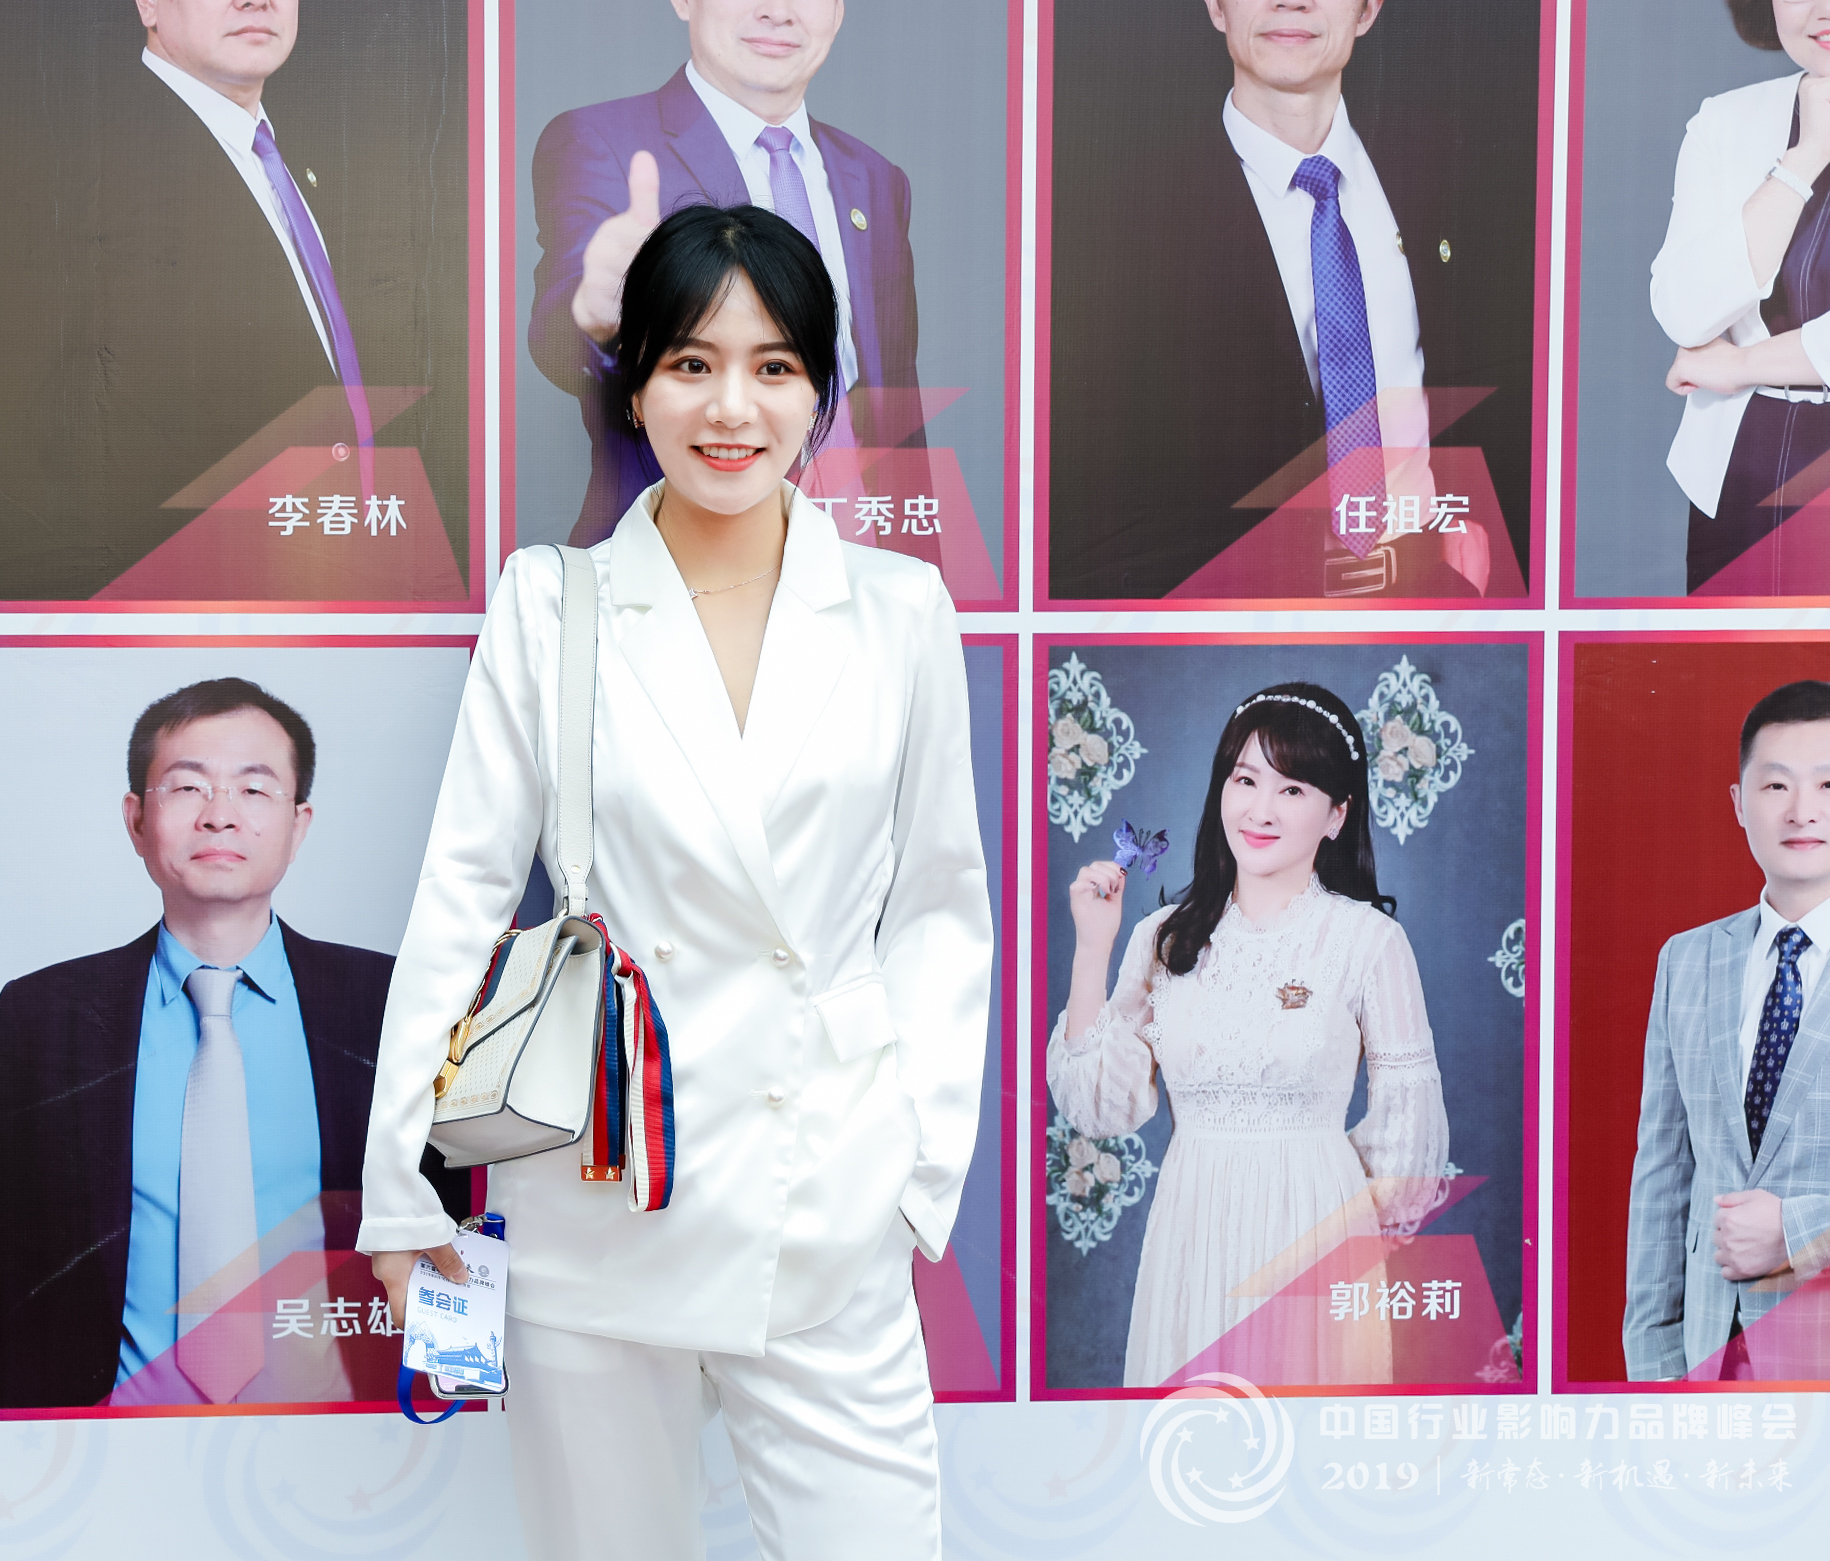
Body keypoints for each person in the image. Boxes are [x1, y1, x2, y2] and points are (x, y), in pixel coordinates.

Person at [362, 204, 992, 1561]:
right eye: (691, 363)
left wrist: (915, 1174)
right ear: (634, 383)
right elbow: (461, 901)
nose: (730, 408)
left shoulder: (897, 610)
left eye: (773, 366)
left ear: (819, 392)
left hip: (827, 1194)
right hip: (598, 1195)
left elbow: (941, 907)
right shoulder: (551, 604)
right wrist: (401, 1192)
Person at [0, 678, 469, 1410]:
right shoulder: (45, 1013)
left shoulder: (392, 1004)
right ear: (136, 819)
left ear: (299, 824)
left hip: (353, 1432)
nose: (219, 815)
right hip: (108, 1437)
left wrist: (448, 1410)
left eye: (253, 790)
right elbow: (10, 1260)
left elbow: (454, 1224)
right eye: (187, 787)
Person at [0, 0, 466, 602]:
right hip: (185, 608)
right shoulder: (70, 174)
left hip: (346, 578)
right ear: (147, 5)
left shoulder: (313, 159)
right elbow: (22, 457)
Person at [1049, 0, 1527, 600]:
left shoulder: (1443, 175)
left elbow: (1498, 384)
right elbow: (1095, 499)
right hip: (1229, 614)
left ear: (1368, 10)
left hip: (1430, 598)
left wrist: (1470, 540)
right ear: (1216, 6)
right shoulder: (1125, 219)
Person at [1051, 683, 1449, 1387]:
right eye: (1245, 780)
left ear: (1336, 814)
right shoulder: (1163, 938)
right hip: (1191, 1231)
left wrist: (1332, 1203)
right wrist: (1093, 947)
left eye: (1292, 789)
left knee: (1308, 1437)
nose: (1261, 809)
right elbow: (1099, 1106)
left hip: (1318, 1233)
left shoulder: (1368, 942)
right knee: (1193, 1443)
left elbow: (1407, 1136)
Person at [527, 0, 923, 545]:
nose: (778, 11)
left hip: (856, 547)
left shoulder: (875, 178)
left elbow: (895, 398)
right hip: (672, 557)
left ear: (838, 11)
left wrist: (917, 558)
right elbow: (560, 329)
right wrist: (594, 314)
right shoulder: (601, 140)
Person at [1625, 680, 1830, 1381]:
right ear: (1740, 803)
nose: (1802, 811)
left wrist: (1797, 1232)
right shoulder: (1686, 960)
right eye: (1776, 785)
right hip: (1708, 1364)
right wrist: (1656, 1371)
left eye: (1827, 784)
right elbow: (1662, 1175)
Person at [1655, 0, 1830, 593]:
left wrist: (1742, 364)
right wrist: (1803, 160)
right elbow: (1685, 313)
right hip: (1738, 470)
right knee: (1735, 655)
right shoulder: (1725, 121)